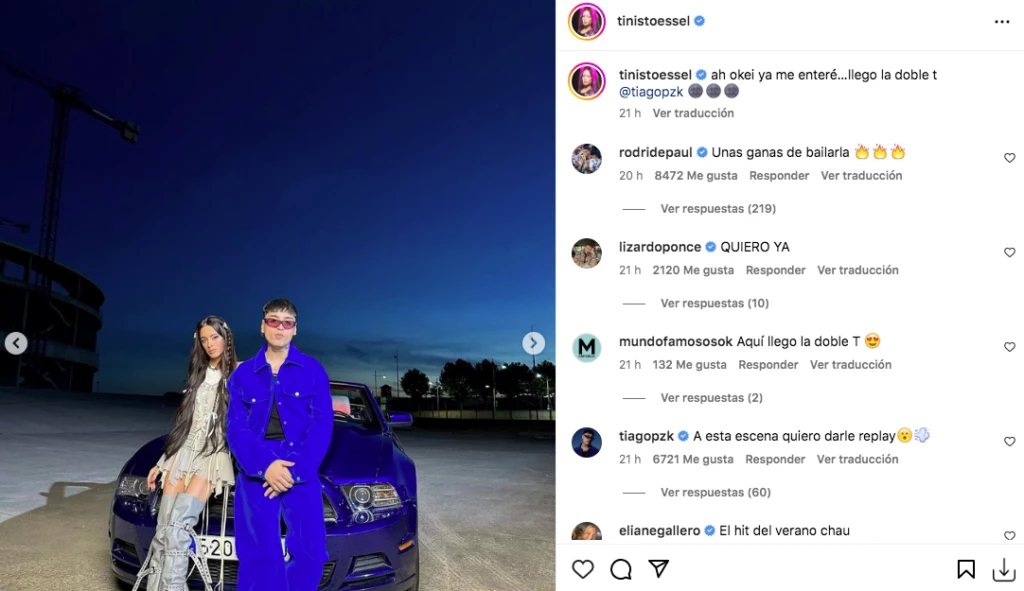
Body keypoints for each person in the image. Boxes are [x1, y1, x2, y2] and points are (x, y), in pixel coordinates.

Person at [227, 298, 334, 591]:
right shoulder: (242, 375)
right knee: (259, 555)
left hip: (299, 462)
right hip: (257, 464)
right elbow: (236, 429)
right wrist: (266, 466)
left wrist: (292, 471)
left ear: (295, 329)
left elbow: (322, 426)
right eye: (273, 321)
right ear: (263, 326)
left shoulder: (313, 370)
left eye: (287, 323)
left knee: (311, 553)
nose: (280, 327)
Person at [135, 315, 239, 591]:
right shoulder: (198, 374)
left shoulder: (238, 373)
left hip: (212, 455)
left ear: (226, 337)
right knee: (163, 529)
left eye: (214, 337)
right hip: (182, 454)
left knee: (179, 527)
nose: (210, 344)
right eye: (204, 340)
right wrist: (162, 462)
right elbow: (185, 424)